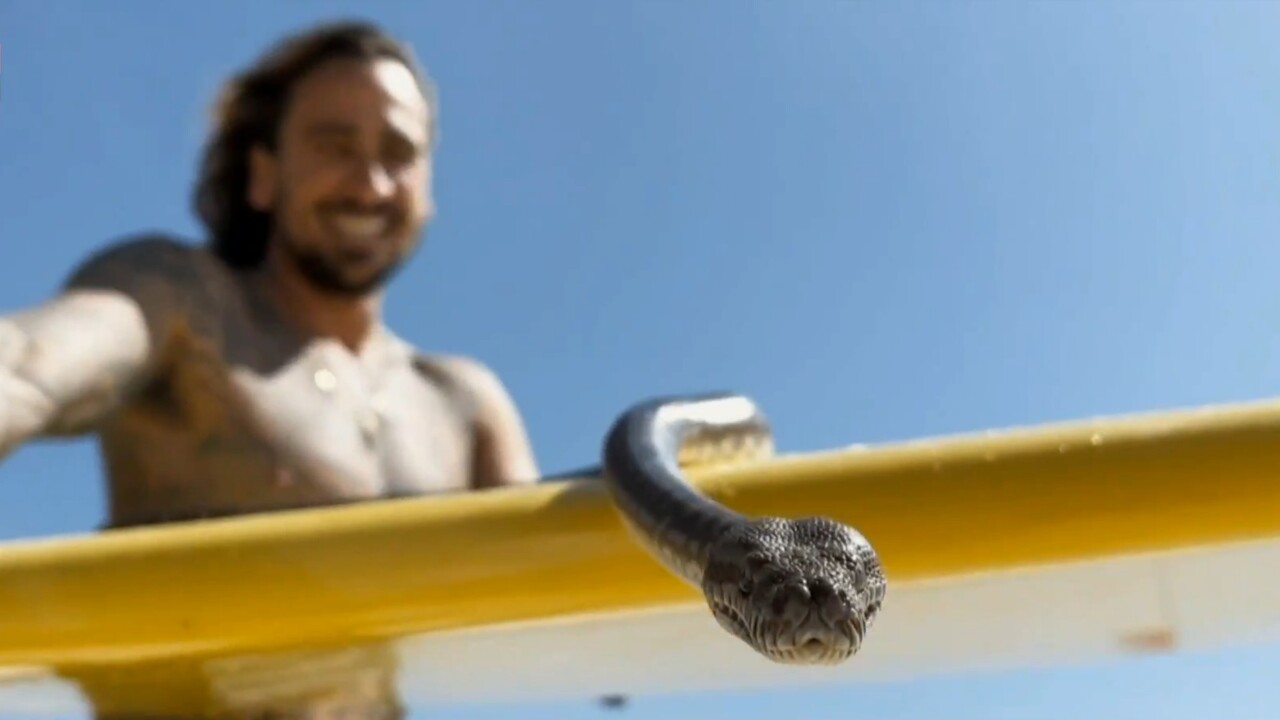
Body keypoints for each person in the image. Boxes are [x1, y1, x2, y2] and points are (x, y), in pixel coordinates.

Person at [0, 19, 540, 718]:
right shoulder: (186, 311)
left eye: (399, 152)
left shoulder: (465, 403)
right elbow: (27, 366)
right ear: (263, 173)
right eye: (335, 146)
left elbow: (579, 609)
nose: (371, 183)